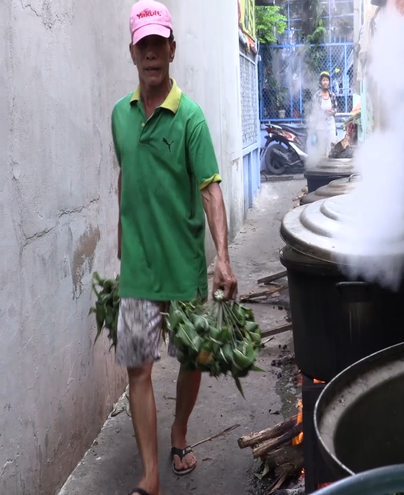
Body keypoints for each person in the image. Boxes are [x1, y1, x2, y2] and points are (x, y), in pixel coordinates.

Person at [110, 2, 237, 494]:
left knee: (193, 358)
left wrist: (222, 258)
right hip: (139, 269)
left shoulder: (191, 118)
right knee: (137, 367)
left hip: (183, 265)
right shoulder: (120, 117)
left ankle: (179, 432)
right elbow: (127, 174)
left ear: (172, 49)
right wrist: (122, 238)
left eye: (159, 44)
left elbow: (210, 188)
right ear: (133, 52)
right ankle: (150, 474)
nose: (152, 54)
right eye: (143, 45)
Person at [312, 71, 339, 156]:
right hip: (320, 125)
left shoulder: (332, 95)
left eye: (327, 80)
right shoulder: (317, 96)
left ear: (329, 82)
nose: (325, 82)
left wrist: (332, 111)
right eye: (323, 80)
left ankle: (330, 166)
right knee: (321, 148)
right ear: (320, 82)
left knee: (331, 147)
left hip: (331, 124)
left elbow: (336, 108)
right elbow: (314, 111)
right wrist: (324, 112)